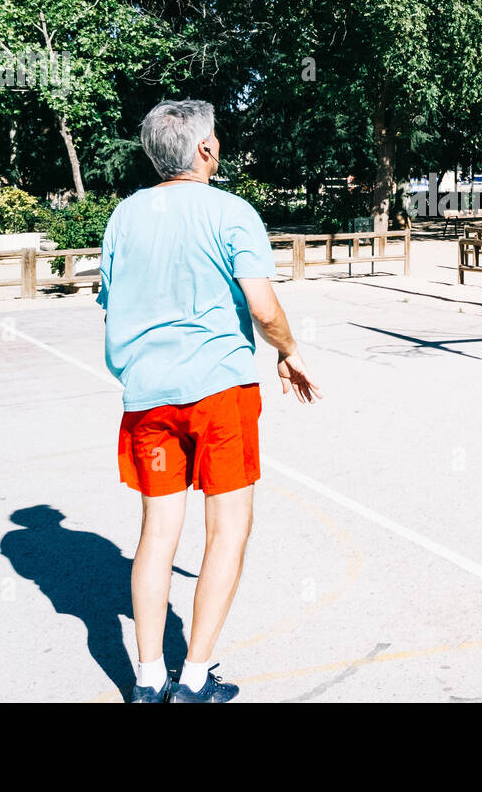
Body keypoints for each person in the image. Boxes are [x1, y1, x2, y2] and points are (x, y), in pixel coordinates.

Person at [99, 99, 321, 703]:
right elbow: (262, 304)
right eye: (216, 137)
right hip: (219, 390)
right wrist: (288, 349)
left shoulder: (124, 215)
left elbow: (112, 300)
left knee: (156, 533)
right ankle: (195, 678)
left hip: (147, 395)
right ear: (203, 150)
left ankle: (146, 680)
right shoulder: (231, 212)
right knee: (227, 532)